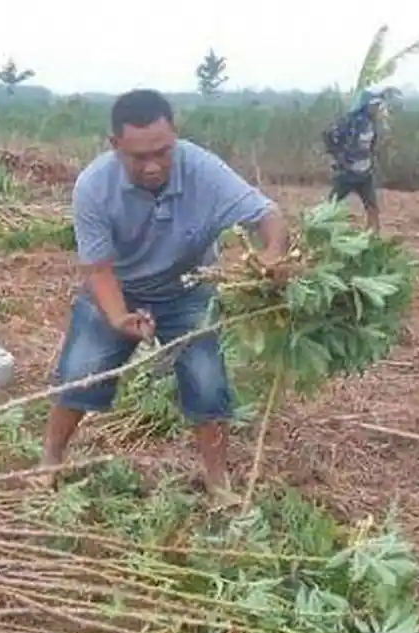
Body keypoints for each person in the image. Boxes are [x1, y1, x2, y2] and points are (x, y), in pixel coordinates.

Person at [41, 89, 290, 504]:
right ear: (115, 145)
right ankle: (49, 461)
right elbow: (98, 269)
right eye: (139, 157)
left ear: (175, 136)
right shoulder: (93, 187)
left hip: (187, 288)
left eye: (163, 151)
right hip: (117, 288)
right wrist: (120, 318)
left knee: (207, 383)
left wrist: (272, 254)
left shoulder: (202, 169)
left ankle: (217, 483)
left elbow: (268, 215)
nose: (153, 165)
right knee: (79, 374)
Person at [323, 89, 388, 232]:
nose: (377, 109)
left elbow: (371, 146)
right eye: (375, 105)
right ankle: (321, 228)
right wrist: (336, 156)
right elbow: (329, 135)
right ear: (367, 106)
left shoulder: (372, 124)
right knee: (331, 205)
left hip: (365, 174)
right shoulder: (351, 122)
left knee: (372, 206)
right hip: (347, 173)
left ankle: (372, 235)